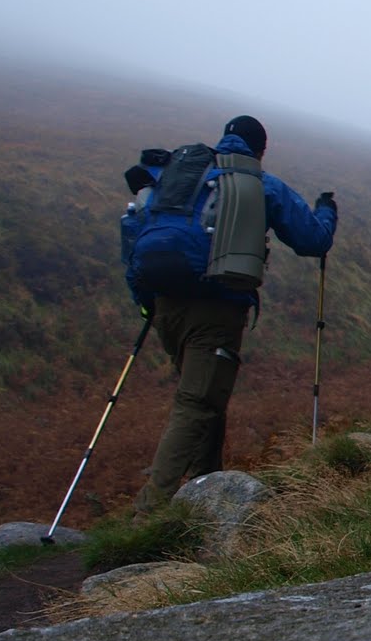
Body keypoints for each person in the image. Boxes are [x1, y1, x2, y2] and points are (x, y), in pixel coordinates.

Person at [124, 115, 336, 512]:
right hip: (216, 308)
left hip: (163, 302)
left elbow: (135, 232)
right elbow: (313, 240)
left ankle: (207, 489)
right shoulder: (257, 183)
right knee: (196, 403)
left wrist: (145, 301)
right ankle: (150, 512)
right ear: (259, 150)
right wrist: (327, 211)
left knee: (207, 396)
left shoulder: (179, 177)